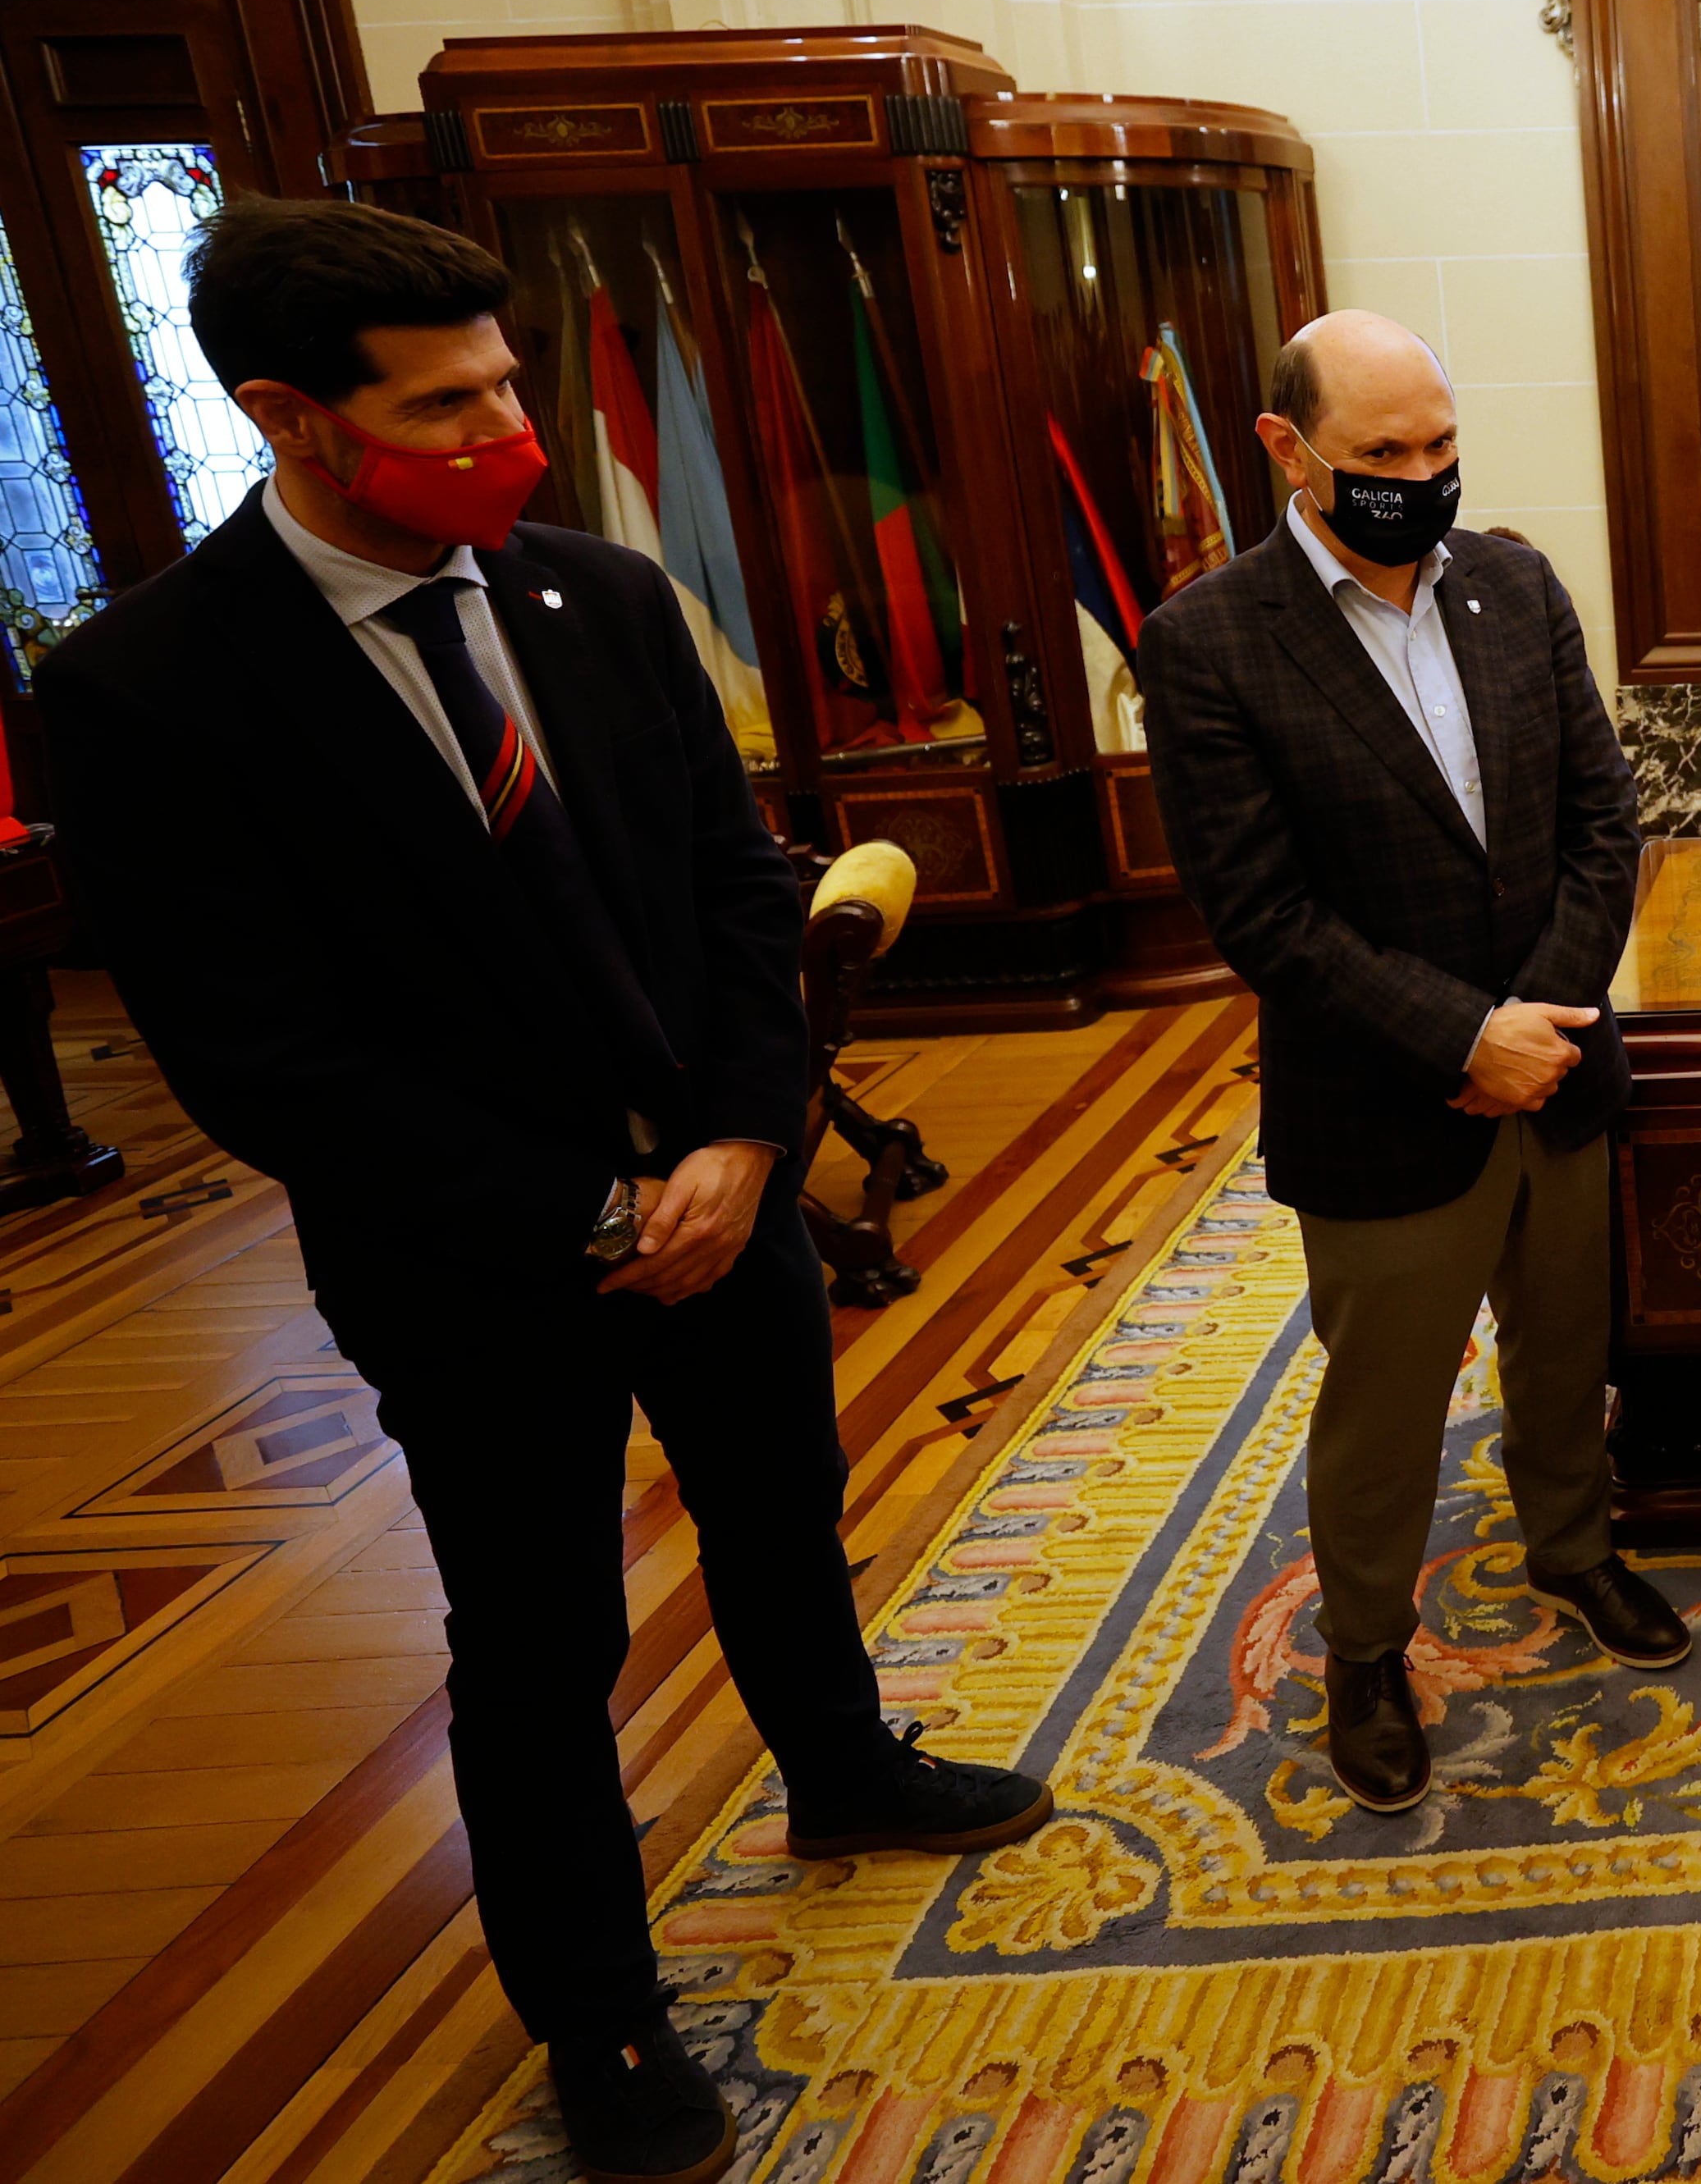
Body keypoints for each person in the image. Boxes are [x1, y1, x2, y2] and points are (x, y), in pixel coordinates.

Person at [39, 197, 1048, 2184]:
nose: (511, 423)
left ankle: (839, 1767)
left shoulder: (589, 590)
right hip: (475, 1268)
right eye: (450, 401)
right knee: (537, 1635)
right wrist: (594, 1218)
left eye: (508, 379)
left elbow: (737, 888)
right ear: (292, 418)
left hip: (728, 1196)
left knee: (782, 1514)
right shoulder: (149, 688)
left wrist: (749, 1143)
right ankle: (595, 2005)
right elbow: (261, 1058)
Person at [1140, 309, 1684, 1825]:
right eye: (1383, 454)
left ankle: (1576, 1548)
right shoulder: (1209, 643)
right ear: (1287, 449)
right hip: (1386, 1103)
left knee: (1569, 1345)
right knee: (1382, 1407)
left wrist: (1538, 1023)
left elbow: (1602, 824)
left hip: (1556, 1070)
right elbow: (1264, 914)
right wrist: (1461, 1039)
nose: (1422, 475)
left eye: (1440, 445)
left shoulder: (1514, 583)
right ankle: (1370, 1653)